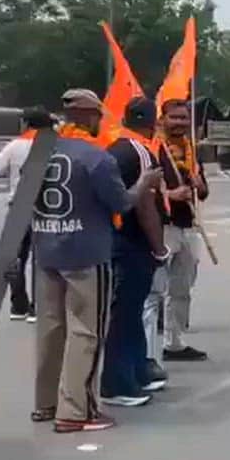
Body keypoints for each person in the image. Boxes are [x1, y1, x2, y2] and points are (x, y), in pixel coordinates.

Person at [32, 89, 159, 433]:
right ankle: (77, 411)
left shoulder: (40, 153)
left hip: (46, 252)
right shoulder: (95, 157)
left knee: (51, 329)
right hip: (86, 254)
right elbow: (122, 203)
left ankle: (46, 403)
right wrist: (145, 182)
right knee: (86, 332)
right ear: (90, 115)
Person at [101, 98, 170, 406]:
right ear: (153, 122)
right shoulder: (142, 153)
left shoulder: (115, 148)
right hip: (133, 243)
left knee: (129, 310)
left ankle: (138, 370)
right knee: (126, 314)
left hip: (115, 240)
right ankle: (117, 383)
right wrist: (159, 248)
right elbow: (145, 206)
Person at [147, 98, 209, 367]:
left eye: (184, 118)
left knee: (182, 287)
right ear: (163, 119)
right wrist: (171, 194)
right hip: (163, 227)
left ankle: (174, 342)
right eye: (175, 117)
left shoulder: (191, 151)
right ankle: (149, 351)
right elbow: (144, 192)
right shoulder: (153, 149)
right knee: (155, 290)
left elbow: (204, 193)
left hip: (188, 226)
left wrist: (198, 185)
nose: (180, 123)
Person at [0, 106, 54, 321]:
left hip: (18, 205)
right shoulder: (54, 146)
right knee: (42, 259)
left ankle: (18, 305)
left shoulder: (15, 146)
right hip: (45, 208)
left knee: (15, 258)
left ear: (26, 124)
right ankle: (37, 307)